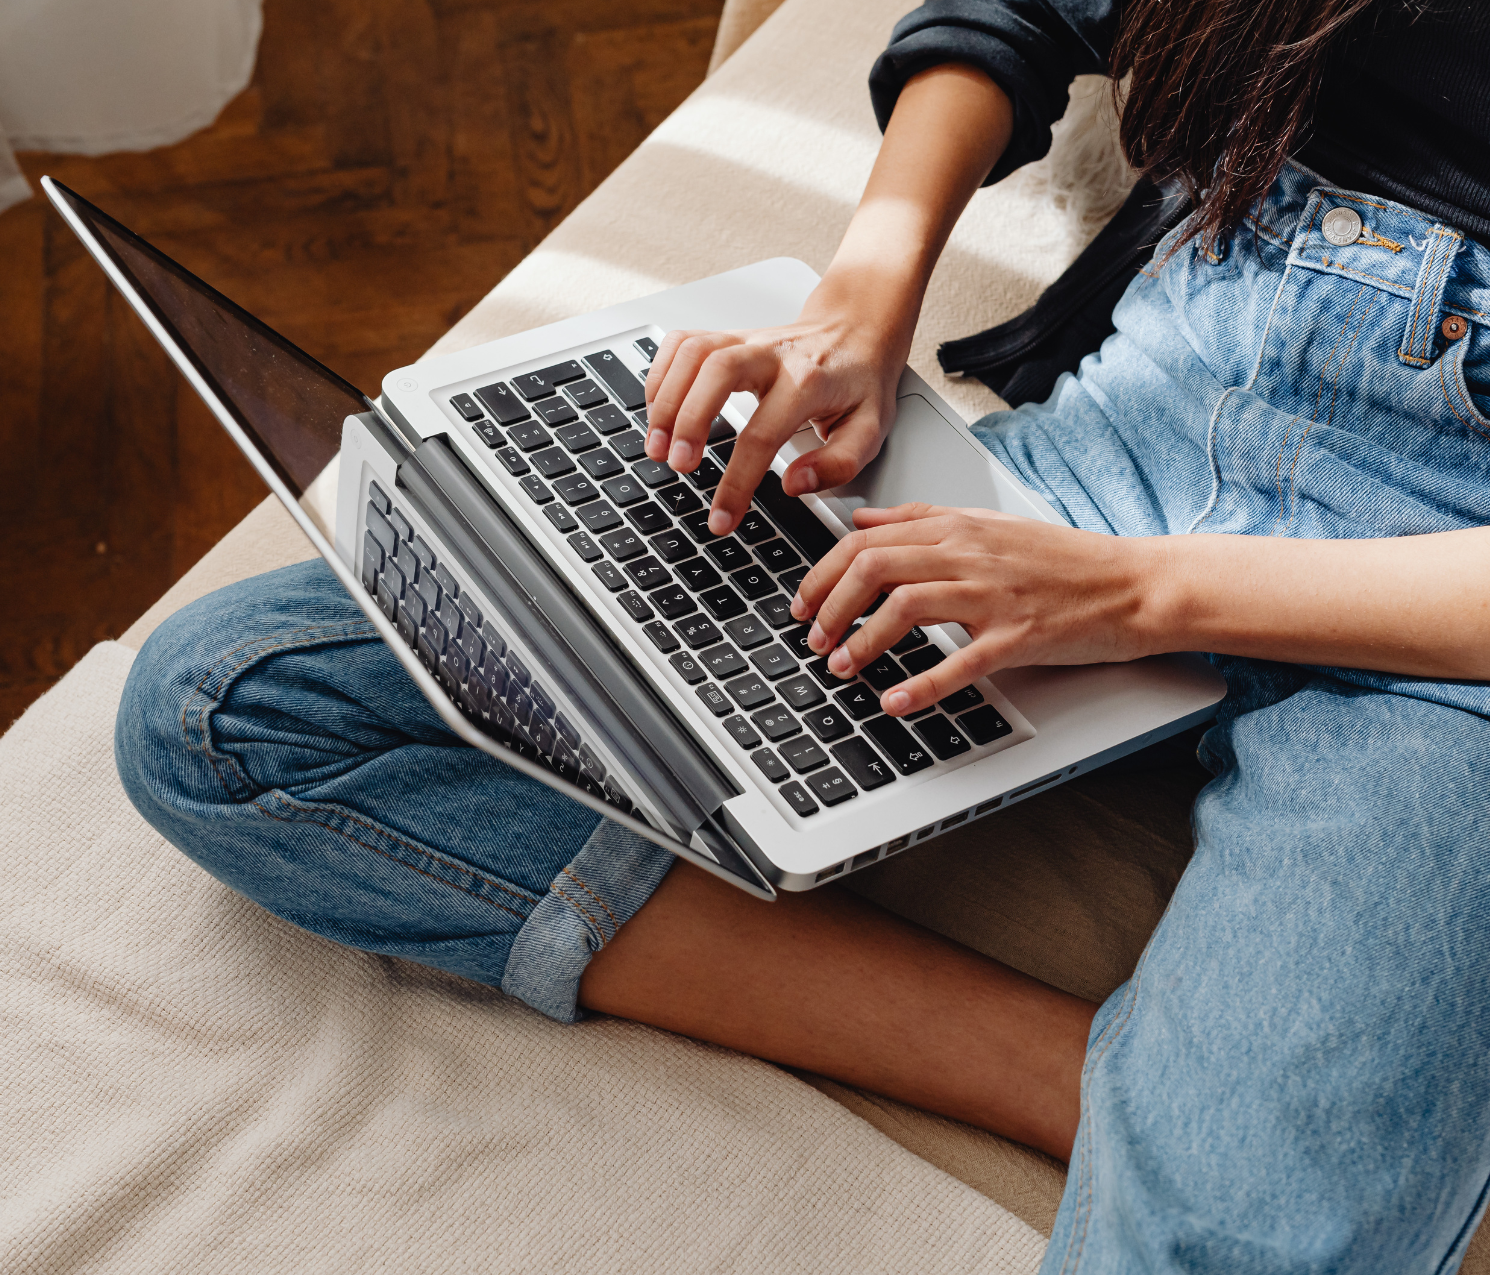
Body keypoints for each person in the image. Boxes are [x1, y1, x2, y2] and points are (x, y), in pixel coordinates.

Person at [115, 0, 1490, 1268]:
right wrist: (859, 298)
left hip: (1441, 619)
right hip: (1153, 410)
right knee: (236, 707)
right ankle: (1101, 1090)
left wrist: (1131, 597)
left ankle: (1209, 1150)